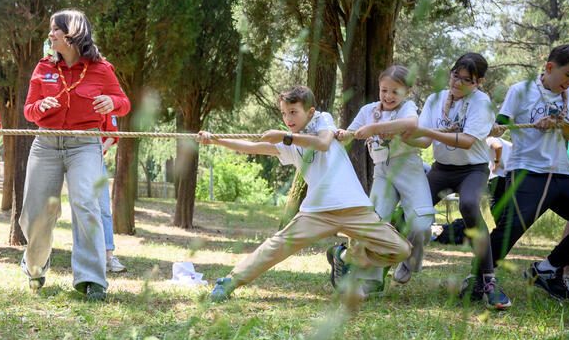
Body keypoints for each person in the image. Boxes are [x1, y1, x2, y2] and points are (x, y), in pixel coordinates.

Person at [199, 85, 410, 302]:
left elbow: (323, 143)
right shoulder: (288, 143)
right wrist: (215, 139)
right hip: (317, 212)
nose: (288, 118)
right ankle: (230, 282)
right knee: (276, 246)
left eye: (293, 112)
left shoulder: (321, 120)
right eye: (283, 113)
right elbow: (251, 147)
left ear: (309, 112)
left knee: (400, 250)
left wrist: (285, 136)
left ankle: (344, 256)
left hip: (355, 208)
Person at [20, 9, 130, 301]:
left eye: (54, 29)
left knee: (86, 205)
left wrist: (113, 102)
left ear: (71, 33)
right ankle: (35, 267)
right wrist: (39, 108)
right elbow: (28, 110)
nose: (49, 35)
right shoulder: (43, 67)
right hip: (46, 144)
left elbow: (124, 103)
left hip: (85, 145)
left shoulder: (101, 69)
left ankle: (92, 279)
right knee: (37, 213)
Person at [406, 52, 505, 308]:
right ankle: (399, 259)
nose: (457, 83)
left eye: (466, 80)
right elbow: (425, 140)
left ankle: (489, 280)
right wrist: (400, 135)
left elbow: (468, 141)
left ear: (479, 82)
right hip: (441, 169)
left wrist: (427, 131)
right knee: (411, 210)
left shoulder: (482, 103)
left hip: (473, 170)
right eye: (454, 76)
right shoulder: (435, 99)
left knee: (470, 205)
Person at [480, 44, 569, 302]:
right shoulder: (520, 90)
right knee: (507, 231)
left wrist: (559, 124)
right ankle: (479, 280)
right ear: (549, 68)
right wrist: (496, 128)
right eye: (568, 75)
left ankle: (547, 269)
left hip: (563, 174)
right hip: (528, 172)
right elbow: (501, 123)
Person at [334, 65, 434, 285]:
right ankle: (370, 279)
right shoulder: (368, 111)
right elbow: (353, 134)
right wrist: (343, 134)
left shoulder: (408, 108)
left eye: (395, 91)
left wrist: (375, 129)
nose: (388, 96)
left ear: (407, 91)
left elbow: (411, 124)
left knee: (421, 224)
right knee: (374, 223)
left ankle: (409, 260)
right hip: (383, 172)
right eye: (384, 90)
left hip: (409, 168)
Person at [70, 112, 126, 273]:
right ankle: (85, 257)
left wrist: (99, 151)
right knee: (80, 208)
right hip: (71, 158)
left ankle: (109, 256)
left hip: (95, 160)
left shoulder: (105, 101)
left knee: (103, 209)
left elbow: (112, 134)